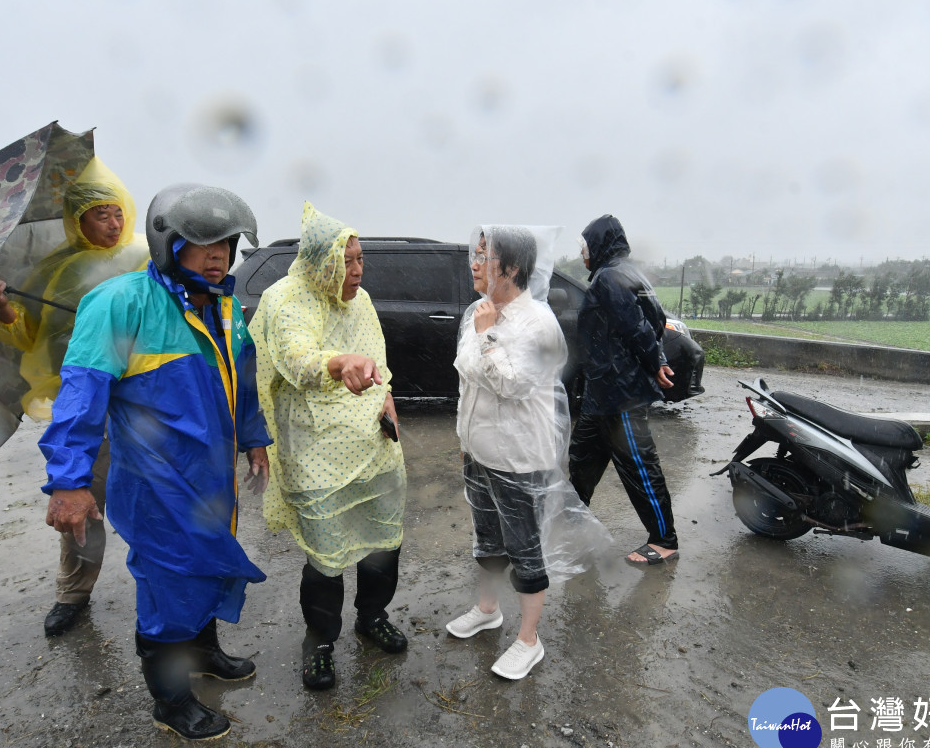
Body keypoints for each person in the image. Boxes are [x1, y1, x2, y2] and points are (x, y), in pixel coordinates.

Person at [38, 184, 271, 741]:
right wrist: (68, 481)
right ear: (168, 242)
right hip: (156, 482)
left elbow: (242, 384)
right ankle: (169, 699)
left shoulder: (226, 306)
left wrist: (252, 437)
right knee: (169, 581)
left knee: (212, 562)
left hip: (213, 477)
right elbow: (81, 394)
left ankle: (202, 649)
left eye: (228, 243)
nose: (219, 254)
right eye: (203, 242)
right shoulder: (122, 303)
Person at [248, 202, 407, 692]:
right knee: (326, 552)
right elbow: (297, 359)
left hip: (371, 444)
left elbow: (378, 360)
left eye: (360, 260)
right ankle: (319, 641)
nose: (356, 271)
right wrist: (340, 363)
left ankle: (372, 615)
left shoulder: (362, 301)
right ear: (321, 263)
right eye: (347, 261)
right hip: (315, 450)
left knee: (383, 540)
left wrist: (388, 400)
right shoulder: (285, 300)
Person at [446, 225, 611, 680]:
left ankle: (529, 639)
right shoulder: (478, 312)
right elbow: (468, 381)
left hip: (519, 459)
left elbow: (513, 383)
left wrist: (485, 337)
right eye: (474, 255)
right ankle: (487, 609)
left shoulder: (537, 322)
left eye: (484, 256)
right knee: (488, 540)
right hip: (480, 453)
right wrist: (466, 444)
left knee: (524, 548)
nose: (474, 264)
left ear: (512, 268)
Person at [0, 158, 149, 637]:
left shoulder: (147, 259)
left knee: (159, 498)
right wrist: (6, 311)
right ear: (76, 220)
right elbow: (33, 339)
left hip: (145, 402)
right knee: (85, 499)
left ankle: (166, 589)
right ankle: (73, 593)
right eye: (100, 214)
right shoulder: (55, 274)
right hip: (87, 405)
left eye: (117, 211)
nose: (113, 223)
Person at [568, 214, 681, 566]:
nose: (583, 253)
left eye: (585, 246)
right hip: (601, 394)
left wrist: (654, 362)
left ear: (600, 244)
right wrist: (657, 358)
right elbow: (657, 320)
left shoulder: (610, 277)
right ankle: (572, 528)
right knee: (581, 462)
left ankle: (664, 540)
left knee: (640, 468)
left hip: (621, 396)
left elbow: (639, 328)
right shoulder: (629, 271)